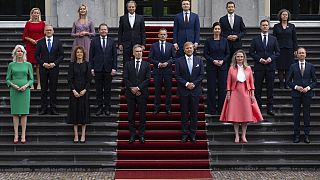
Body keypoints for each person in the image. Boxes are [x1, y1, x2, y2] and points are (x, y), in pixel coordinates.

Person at [220, 50, 263, 143]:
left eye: (241, 57)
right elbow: (228, 82)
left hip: (246, 92)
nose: (239, 58)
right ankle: (236, 135)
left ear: (244, 58)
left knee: (245, 115)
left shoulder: (248, 68)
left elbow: (251, 82)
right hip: (235, 92)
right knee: (235, 115)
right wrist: (228, 93)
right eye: (238, 57)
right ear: (235, 58)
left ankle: (243, 135)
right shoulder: (231, 68)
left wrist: (252, 94)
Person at [249, 19, 280, 116]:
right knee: (258, 88)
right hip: (259, 66)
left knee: (270, 88)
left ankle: (269, 108)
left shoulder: (273, 39)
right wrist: (259, 59)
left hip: (270, 67)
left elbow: (278, 52)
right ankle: (258, 107)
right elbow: (251, 52)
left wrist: (271, 58)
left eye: (266, 25)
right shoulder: (255, 39)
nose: (265, 27)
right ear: (260, 27)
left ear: (269, 27)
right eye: (263, 25)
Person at [175, 42, 204, 143]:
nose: (189, 49)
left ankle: (193, 134)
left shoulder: (199, 60)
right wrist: (187, 84)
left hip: (195, 91)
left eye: (191, 48)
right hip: (184, 91)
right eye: (187, 48)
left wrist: (193, 84)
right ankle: (184, 133)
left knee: (194, 114)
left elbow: (201, 75)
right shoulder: (179, 61)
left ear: (193, 49)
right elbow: (177, 76)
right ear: (184, 49)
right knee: (184, 114)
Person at [287, 47, 317, 144]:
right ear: (297, 55)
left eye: (303, 53)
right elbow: (288, 82)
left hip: (307, 94)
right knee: (296, 116)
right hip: (296, 94)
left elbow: (315, 81)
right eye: (300, 53)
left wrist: (308, 88)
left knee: (306, 115)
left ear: (305, 54)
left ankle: (306, 135)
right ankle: (296, 135)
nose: (301, 55)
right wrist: (296, 87)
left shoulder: (311, 66)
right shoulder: (293, 66)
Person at [6, 45, 34, 144]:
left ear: (24, 53)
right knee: (15, 113)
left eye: (21, 51)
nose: (19, 53)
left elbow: (31, 79)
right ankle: (16, 134)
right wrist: (13, 85)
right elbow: (7, 79)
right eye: (18, 51)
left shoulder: (28, 64)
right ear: (15, 53)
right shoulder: (11, 65)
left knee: (24, 113)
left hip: (25, 90)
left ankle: (23, 134)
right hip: (14, 90)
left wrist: (26, 86)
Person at [35, 24, 64, 115]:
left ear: (53, 31)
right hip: (43, 68)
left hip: (54, 68)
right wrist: (43, 63)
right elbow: (36, 55)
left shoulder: (58, 42)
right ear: (44, 31)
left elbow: (62, 55)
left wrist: (54, 63)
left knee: (53, 89)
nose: (48, 31)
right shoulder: (40, 42)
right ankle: (43, 108)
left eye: (50, 30)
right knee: (43, 89)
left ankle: (53, 108)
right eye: (47, 30)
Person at [124, 44, 151, 144]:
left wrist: (138, 88)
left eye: (140, 51)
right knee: (131, 115)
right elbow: (126, 78)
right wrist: (132, 88)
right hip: (130, 93)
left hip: (142, 93)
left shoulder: (147, 64)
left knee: (142, 115)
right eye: (137, 51)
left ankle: (141, 135)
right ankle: (132, 134)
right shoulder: (128, 64)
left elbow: (148, 79)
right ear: (133, 53)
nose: (139, 53)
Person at [89, 23, 117, 116]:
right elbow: (91, 56)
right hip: (97, 69)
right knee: (99, 90)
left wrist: (114, 68)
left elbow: (115, 56)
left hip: (109, 69)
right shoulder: (94, 41)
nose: (103, 31)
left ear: (107, 31)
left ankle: (107, 108)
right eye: (102, 29)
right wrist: (91, 68)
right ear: (99, 31)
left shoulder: (112, 41)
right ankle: (100, 107)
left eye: (105, 29)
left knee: (108, 90)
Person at [204, 22, 230, 115]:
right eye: (216, 29)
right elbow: (205, 54)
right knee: (211, 88)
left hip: (222, 67)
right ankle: (212, 109)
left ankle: (221, 109)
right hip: (211, 66)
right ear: (213, 30)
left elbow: (228, 53)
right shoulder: (208, 41)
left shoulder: (224, 40)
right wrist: (213, 61)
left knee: (222, 88)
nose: (217, 30)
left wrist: (223, 61)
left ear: (221, 30)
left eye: (219, 29)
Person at [148, 28, 176, 115]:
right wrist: (158, 64)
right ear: (158, 35)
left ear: (167, 35)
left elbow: (174, 58)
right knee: (157, 90)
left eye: (164, 34)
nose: (163, 36)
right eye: (161, 34)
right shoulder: (153, 45)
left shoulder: (170, 45)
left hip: (168, 71)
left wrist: (168, 63)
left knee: (168, 90)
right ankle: (156, 108)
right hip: (157, 71)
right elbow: (150, 58)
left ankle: (168, 108)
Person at [67, 46, 91, 143]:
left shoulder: (87, 64)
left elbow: (89, 79)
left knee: (84, 112)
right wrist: (74, 90)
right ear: (75, 54)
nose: (79, 54)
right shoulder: (72, 65)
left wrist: (85, 90)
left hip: (84, 92)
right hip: (74, 92)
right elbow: (69, 79)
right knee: (75, 112)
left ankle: (83, 134)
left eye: (81, 52)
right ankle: (76, 135)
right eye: (77, 52)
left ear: (83, 54)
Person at [273, 9, 298, 89]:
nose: (284, 16)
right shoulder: (276, 26)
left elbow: (294, 39)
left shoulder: (292, 26)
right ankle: (281, 84)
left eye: (286, 15)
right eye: (283, 14)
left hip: (289, 49)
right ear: (280, 16)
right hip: (279, 49)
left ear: (288, 16)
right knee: (280, 67)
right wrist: (274, 49)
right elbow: (274, 39)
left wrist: (295, 49)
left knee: (288, 67)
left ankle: (287, 83)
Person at [22, 7, 45, 89]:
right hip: (30, 45)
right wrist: (31, 40)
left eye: (37, 13)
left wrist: (39, 40)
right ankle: (31, 83)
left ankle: (39, 83)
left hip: (39, 45)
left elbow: (45, 34)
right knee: (30, 65)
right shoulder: (28, 23)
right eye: (34, 13)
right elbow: (24, 35)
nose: (36, 14)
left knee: (38, 65)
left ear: (39, 14)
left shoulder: (42, 23)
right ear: (32, 14)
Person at [118, 0, 146, 66]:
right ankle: (126, 75)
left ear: (135, 8)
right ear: (127, 8)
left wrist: (143, 44)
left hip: (137, 43)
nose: (131, 8)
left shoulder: (140, 18)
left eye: (132, 7)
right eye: (130, 7)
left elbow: (143, 32)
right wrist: (120, 43)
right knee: (126, 62)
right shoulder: (122, 18)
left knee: (137, 62)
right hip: (126, 43)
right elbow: (120, 31)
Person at [219, 1, 246, 67]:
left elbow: (244, 31)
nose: (230, 8)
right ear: (226, 8)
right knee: (227, 62)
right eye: (229, 7)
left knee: (237, 62)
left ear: (234, 8)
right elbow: (220, 32)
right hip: (226, 44)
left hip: (237, 44)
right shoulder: (222, 19)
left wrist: (237, 36)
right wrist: (227, 37)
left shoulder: (239, 18)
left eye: (232, 7)